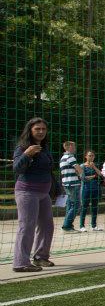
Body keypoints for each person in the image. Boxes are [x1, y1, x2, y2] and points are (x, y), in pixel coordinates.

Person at [11, 117, 57, 272]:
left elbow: (48, 170)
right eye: (37, 129)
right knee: (27, 226)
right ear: (30, 130)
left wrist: (55, 189)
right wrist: (27, 154)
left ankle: (40, 257)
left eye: (43, 129)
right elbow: (17, 168)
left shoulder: (45, 148)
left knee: (47, 226)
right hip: (27, 192)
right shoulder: (22, 147)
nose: (41, 131)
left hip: (44, 194)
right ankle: (21, 263)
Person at [58, 141, 83, 233]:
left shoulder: (63, 158)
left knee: (70, 205)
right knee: (77, 205)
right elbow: (79, 169)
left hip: (66, 184)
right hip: (73, 184)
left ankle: (68, 225)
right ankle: (67, 226)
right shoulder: (70, 157)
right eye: (74, 146)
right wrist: (81, 174)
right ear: (69, 147)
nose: (75, 148)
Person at [78, 150, 103, 232]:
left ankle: (94, 226)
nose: (91, 157)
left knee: (95, 207)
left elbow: (101, 174)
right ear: (86, 156)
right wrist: (93, 176)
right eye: (89, 155)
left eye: (92, 155)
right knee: (84, 207)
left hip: (95, 189)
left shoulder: (96, 165)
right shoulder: (82, 166)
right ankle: (82, 226)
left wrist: (94, 167)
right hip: (85, 189)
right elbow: (83, 178)